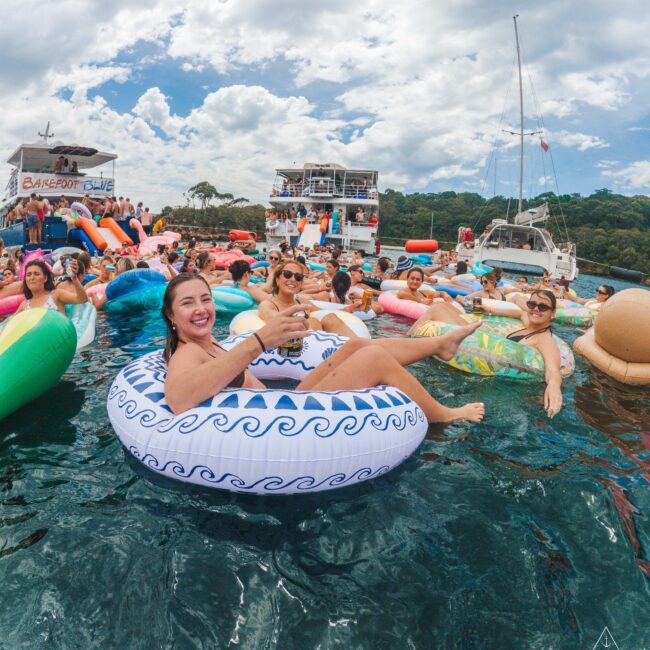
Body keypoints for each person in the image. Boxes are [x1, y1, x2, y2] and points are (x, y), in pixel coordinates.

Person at [162, 273, 485, 422]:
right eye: (188, 303)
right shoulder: (188, 350)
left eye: (206, 299)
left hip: (284, 400)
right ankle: (443, 415)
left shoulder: (209, 342)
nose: (201, 308)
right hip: (281, 418)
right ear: (171, 315)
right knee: (372, 356)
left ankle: (440, 344)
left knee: (357, 344)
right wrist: (259, 342)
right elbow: (177, 399)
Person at [412, 289, 564, 417]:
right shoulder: (529, 322)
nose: (536, 309)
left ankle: (408, 342)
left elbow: (553, 370)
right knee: (440, 305)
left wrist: (554, 385)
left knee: (437, 309)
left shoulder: (544, 339)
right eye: (532, 304)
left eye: (543, 307)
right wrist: (490, 311)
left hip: (480, 353)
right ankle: (409, 342)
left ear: (552, 313)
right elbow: (519, 313)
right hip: (479, 344)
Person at [258, 260, 357, 338]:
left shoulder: (303, 302)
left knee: (330, 317)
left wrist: (353, 308)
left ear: (300, 283)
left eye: (298, 277)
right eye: (287, 274)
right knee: (312, 321)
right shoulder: (268, 304)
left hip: (313, 346)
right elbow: (274, 320)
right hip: (288, 350)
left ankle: (361, 348)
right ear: (277, 279)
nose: (293, 279)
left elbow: (325, 311)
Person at [17, 259, 87, 314]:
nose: (32, 277)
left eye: (36, 274)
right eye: (28, 274)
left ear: (45, 278)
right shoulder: (24, 306)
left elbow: (82, 299)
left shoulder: (56, 295)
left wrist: (74, 277)